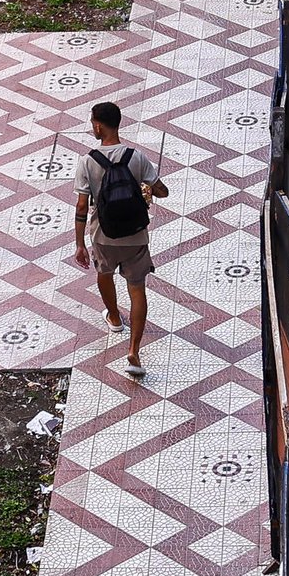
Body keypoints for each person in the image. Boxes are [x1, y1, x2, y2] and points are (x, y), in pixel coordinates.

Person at [71, 101, 170, 376]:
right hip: (135, 236)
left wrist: (79, 243)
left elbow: (81, 206)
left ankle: (114, 318)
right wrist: (149, 189)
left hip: (103, 236)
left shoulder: (87, 161)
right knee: (137, 289)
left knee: (104, 274)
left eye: (93, 123)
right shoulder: (135, 157)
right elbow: (161, 191)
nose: (93, 127)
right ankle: (133, 352)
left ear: (99, 125)